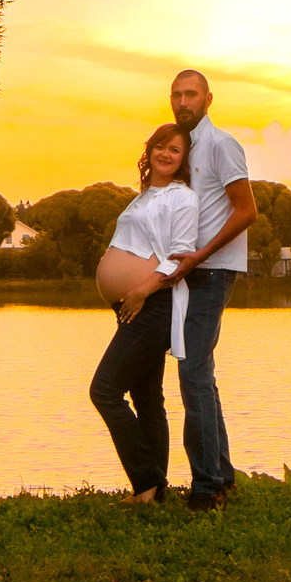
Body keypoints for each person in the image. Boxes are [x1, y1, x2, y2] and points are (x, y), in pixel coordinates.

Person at [90, 122, 198, 502]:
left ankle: (148, 480)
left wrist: (140, 290)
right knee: (148, 397)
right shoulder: (144, 196)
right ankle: (154, 490)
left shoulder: (182, 197)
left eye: (176, 150)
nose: (166, 154)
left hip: (154, 303)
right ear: (149, 150)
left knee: (104, 390)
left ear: (184, 160)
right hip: (132, 305)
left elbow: (180, 257)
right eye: (161, 146)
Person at [165, 67, 256, 511]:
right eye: (177, 95)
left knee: (192, 372)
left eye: (191, 95)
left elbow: (246, 211)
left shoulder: (221, 145)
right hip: (188, 273)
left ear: (208, 99)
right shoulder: (183, 149)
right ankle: (222, 475)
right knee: (202, 374)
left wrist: (200, 257)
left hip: (213, 270)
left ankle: (207, 489)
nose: (184, 102)